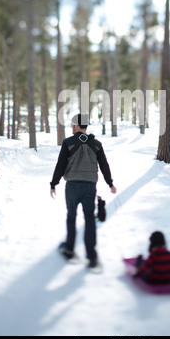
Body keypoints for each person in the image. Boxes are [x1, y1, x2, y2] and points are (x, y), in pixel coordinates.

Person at [50, 114, 116, 269]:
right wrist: (110, 183)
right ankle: (92, 257)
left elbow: (60, 165)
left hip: (72, 186)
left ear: (78, 126)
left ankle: (70, 249)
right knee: (89, 220)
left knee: (71, 217)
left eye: (73, 124)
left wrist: (54, 183)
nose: (71, 127)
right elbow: (104, 165)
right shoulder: (96, 144)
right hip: (89, 187)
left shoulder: (68, 143)